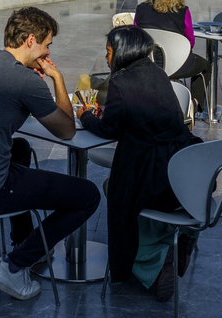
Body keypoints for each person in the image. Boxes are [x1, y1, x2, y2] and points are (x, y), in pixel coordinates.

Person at [0, 7, 101, 301]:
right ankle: (14, 266)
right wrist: (57, 78)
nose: (48, 52)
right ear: (30, 40)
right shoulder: (26, 81)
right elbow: (66, 131)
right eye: (47, 45)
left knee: (21, 148)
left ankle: (22, 242)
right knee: (88, 196)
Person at [79, 26, 202, 302]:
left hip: (150, 175)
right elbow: (137, 117)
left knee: (116, 193)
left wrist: (85, 116)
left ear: (122, 53)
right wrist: (109, 112)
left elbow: (109, 131)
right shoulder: (158, 74)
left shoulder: (121, 83)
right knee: (129, 197)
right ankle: (176, 242)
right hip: (181, 170)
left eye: (109, 53)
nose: (107, 59)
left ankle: (155, 264)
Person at [133, 0, 212, 118]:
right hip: (178, 66)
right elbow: (190, 41)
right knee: (206, 67)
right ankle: (194, 105)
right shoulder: (183, 11)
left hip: (149, 65)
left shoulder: (141, 9)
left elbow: (137, 38)